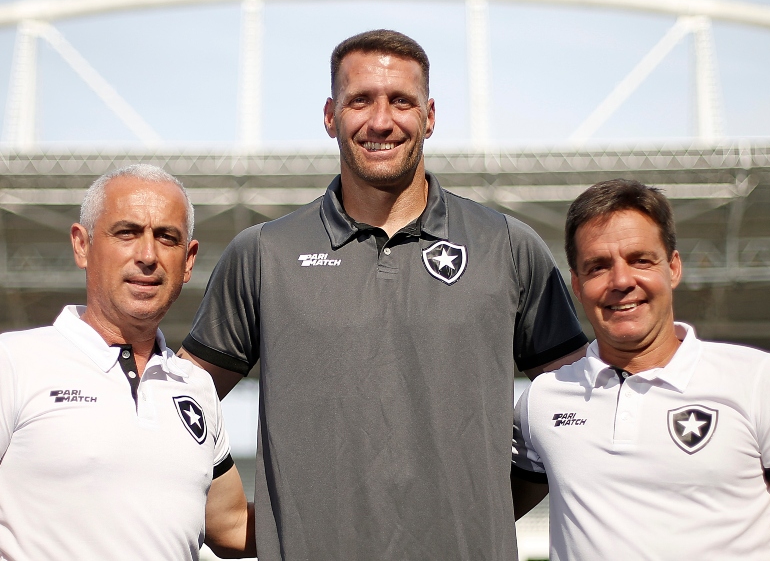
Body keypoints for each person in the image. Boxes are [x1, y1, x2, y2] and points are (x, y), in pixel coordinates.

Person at [178, 29, 589, 560]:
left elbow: (581, 404)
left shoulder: (507, 246)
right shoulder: (263, 253)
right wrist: (242, 517)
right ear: (330, 115)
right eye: (359, 101)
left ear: (431, 115)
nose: (380, 121)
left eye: (401, 101)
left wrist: (484, 502)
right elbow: (177, 407)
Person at [0, 165, 254, 561]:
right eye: (126, 233)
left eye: (167, 238)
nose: (148, 255)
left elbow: (231, 526)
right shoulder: (9, 362)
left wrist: (339, 513)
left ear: (189, 260)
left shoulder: (196, 387)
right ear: (82, 244)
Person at [511, 179, 770, 560]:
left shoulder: (759, 380)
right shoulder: (543, 399)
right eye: (598, 267)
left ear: (673, 267)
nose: (622, 281)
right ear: (576, 283)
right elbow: (480, 511)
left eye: (641, 260)